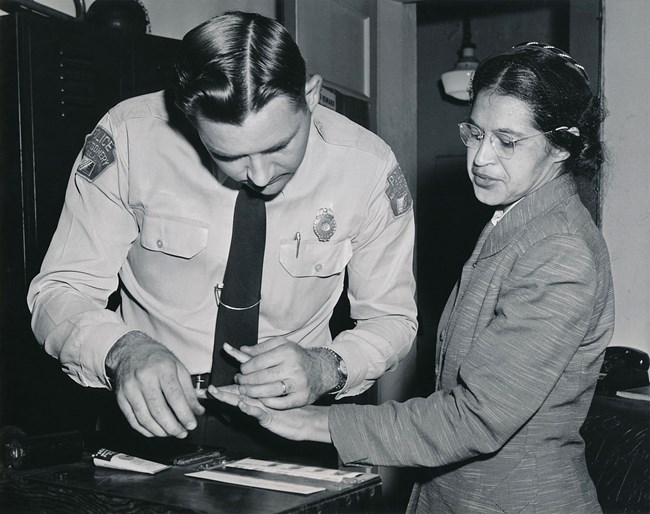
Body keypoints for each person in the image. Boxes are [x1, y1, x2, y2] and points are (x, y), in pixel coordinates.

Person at [212, 42, 615, 513]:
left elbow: (477, 418)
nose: (481, 158)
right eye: (475, 133)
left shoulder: (559, 251)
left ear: (561, 147)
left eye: (507, 142)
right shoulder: (519, 220)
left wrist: (313, 423)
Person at [27, 11, 417, 456]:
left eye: (279, 146)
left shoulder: (367, 168)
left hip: (296, 427)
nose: (260, 175)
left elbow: (393, 318)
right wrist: (121, 349)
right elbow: (59, 290)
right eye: (228, 155)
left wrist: (327, 367)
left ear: (310, 95)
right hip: (150, 424)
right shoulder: (130, 137)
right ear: (187, 117)